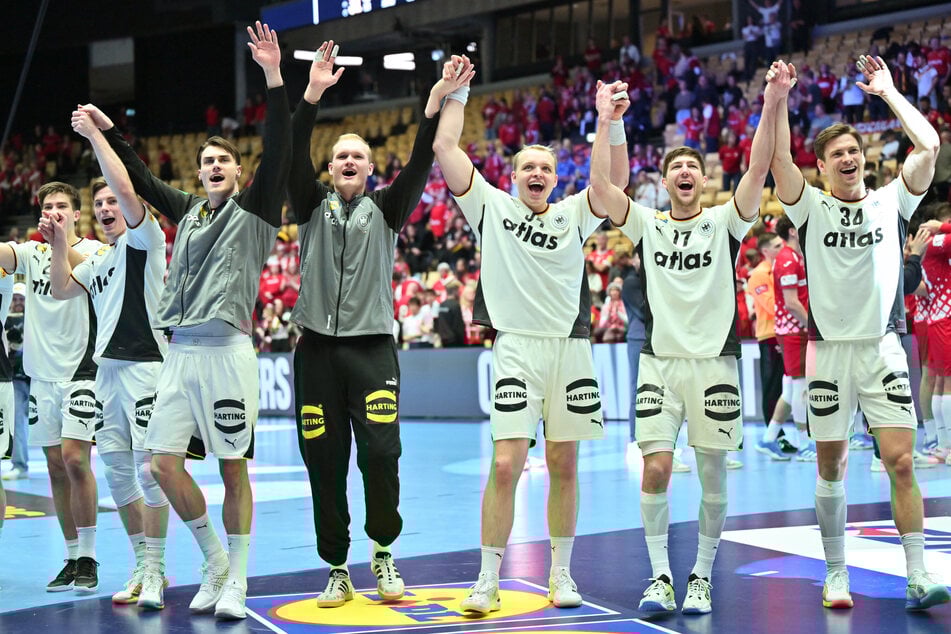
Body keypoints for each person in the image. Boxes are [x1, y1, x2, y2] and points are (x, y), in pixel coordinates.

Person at [90, 21, 291, 619]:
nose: (210, 167)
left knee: (233, 469)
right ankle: (214, 561)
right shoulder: (191, 213)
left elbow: (279, 148)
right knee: (161, 463)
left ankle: (239, 579)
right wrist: (110, 132)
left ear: (236, 171)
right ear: (199, 173)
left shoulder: (254, 211)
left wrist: (274, 76)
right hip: (177, 353)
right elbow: (147, 181)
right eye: (204, 162)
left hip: (227, 351)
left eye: (221, 161)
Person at [588, 61, 790, 615]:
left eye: (691, 167)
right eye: (674, 166)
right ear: (665, 179)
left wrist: (773, 101)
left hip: (715, 366)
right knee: (655, 468)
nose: (683, 172)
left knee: (710, 475)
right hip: (659, 364)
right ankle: (660, 576)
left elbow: (758, 167)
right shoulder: (648, 224)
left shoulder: (727, 221)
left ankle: (700, 574)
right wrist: (609, 123)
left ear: (702, 180)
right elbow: (601, 189)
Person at [433, 56, 631, 614]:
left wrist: (609, 121)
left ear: (556, 177)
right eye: (528, 168)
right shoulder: (489, 206)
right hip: (516, 348)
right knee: (505, 464)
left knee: (565, 464)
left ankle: (561, 574)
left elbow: (614, 183)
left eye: (546, 168)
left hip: (570, 350)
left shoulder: (573, 212)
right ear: (513, 175)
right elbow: (446, 150)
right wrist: (459, 93)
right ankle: (487, 577)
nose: (538, 174)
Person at [771, 53, 949, 611]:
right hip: (829, 354)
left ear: (863, 160)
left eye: (854, 151)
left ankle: (917, 575)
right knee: (832, 465)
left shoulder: (890, 201)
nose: (849, 158)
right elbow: (778, 163)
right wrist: (778, 99)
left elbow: (929, 148)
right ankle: (835, 573)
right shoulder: (810, 208)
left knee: (901, 460)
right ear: (822, 167)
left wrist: (890, 93)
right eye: (837, 154)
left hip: (883, 349)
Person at [287, 41, 457, 608]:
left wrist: (432, 103)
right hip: (315, 354)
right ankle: (336, 565)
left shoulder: (388, 207)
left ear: (370, 167)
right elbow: (290, 153)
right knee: (324, 461)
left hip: (372, 353)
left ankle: (384, 552)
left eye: (358, 156)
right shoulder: (309, 205)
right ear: (330, 168)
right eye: (340, 157)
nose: (350, 162)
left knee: (381, 456)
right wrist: (311, 95)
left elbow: (421, 161)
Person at [45, 105, 173, 610]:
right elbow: (60, 290)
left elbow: (124, 187)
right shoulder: (98, 259)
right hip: (107, 375)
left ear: (129, 205)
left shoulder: (145, 240)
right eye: (96, 203)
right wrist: (58, 245)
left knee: (149, 472)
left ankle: (159, 570)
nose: (104, 208)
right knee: (119, 473)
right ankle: (141, 564)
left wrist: (97, 135)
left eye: (111, 201)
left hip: (146, 368)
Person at [0, 182, 103, 593]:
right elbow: (4, 254)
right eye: (48, 206)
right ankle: (71, 555)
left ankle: (90, 556)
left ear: (77, 214)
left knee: (77, 460)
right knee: (56, 469)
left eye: (62, 206)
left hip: (82, 370)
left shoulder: (95, 252)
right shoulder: (31, 252)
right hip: (40, 375)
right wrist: (42, 242)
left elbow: (88, 272)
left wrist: (61, 243)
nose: (55, 211)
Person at [770, 214, 816, 461]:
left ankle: (769, 438)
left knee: (792, 389)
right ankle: (804, 444)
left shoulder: (796, 256)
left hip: (795, 330)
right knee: (800, 388)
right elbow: (791, 303)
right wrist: (812, 326)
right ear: (792, 231)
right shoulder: (788, 259)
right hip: (794, 331)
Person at [748, 231, 793, 460]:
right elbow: (771, 305)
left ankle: (778, 436)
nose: (782, 246)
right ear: (765, 251)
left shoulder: (781, 269)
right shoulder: (759, 275)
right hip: (770, 336)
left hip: (786, 332)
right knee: (773, 388)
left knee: (787, 387)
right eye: (776, 245)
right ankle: (772, 437)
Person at [1, 282, 28, 482]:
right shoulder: (5, 319)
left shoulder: (36, 319)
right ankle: (19, 465)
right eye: (15, 299)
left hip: (37, 376)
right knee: (17, 421)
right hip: (15, 378)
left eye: (22, 299)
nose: (18, 302)